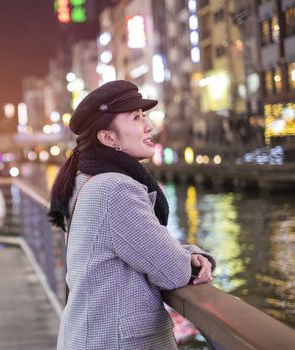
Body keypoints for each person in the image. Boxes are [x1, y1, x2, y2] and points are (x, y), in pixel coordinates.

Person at [48, 80, 216, 350]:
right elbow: (173, 272)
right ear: (108, 138)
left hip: (89, 336)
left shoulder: (88, 181)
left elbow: (131, 250)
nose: (148, 126)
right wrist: (194, 256)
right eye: (136, 118)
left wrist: (182, 253)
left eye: (144, 116)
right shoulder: (115, 188)